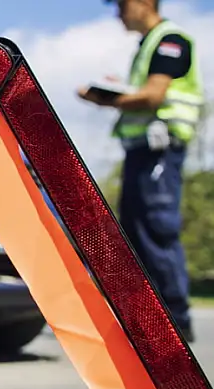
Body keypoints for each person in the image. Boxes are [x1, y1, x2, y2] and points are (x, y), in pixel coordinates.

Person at [78, 0, 205, 343]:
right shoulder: (149, 44)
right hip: (142, 153)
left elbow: (153, 96)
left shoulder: (169, 40)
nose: (118, 12)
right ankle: (148, 321)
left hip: (159, 152)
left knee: (156, 229)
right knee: (136, 231)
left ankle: (174, 323)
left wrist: (104, 99)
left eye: (122, 4)